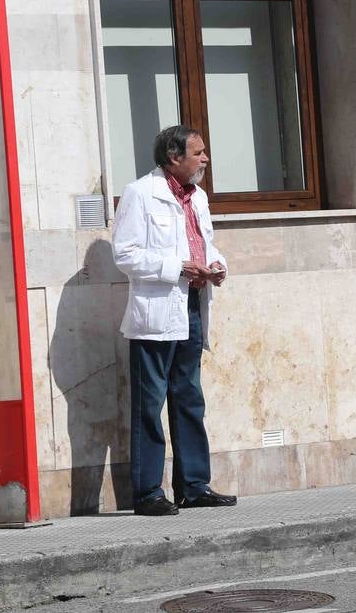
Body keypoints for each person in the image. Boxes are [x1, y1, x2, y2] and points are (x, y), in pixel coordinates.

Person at [112, 125, 235, 515]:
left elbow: (207, 242)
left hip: (192, 306)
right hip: (156, 312)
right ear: (172, 157)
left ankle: (194, 486)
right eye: (197, 152)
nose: (205, 159)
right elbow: (125, 255)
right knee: (150, 404)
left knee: (189, 398)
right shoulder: (139, 194)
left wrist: (216, 265)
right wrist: (176, 267)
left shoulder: (197, 197)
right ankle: (148, 492)